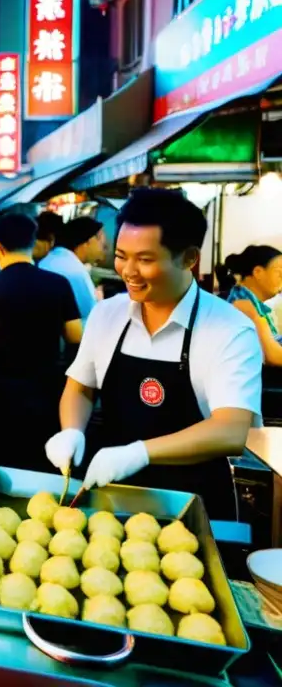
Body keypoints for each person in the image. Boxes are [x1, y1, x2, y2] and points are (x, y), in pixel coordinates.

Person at [47, 189, 262, 520]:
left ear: (189, 258)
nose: (128, 271)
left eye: (145, 259)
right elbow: (80, 386)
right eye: (120, 255)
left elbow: (230, 431)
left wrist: (140, 453)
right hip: (113, 495)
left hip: (193, 504)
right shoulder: (108, 314)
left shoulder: (229, 329)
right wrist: (71, 429)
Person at [0, 214, 83, 471]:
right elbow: (76, 335)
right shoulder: (57, 283)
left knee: (0, 465)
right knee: (43, 466)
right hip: (48, 392)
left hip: (2, 396)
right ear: (33, 243)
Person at [219, 245, 282, 366]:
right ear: (258, 272)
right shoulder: (241, 305)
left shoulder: (252, 304)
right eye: (279, 273)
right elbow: (272, 355)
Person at [39, 216, 105, 327]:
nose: (103, 248)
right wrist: (100, 302)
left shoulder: (49, 259)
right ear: (88, 241)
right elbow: (90, 320)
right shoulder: (76, 273)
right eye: (100, 241)